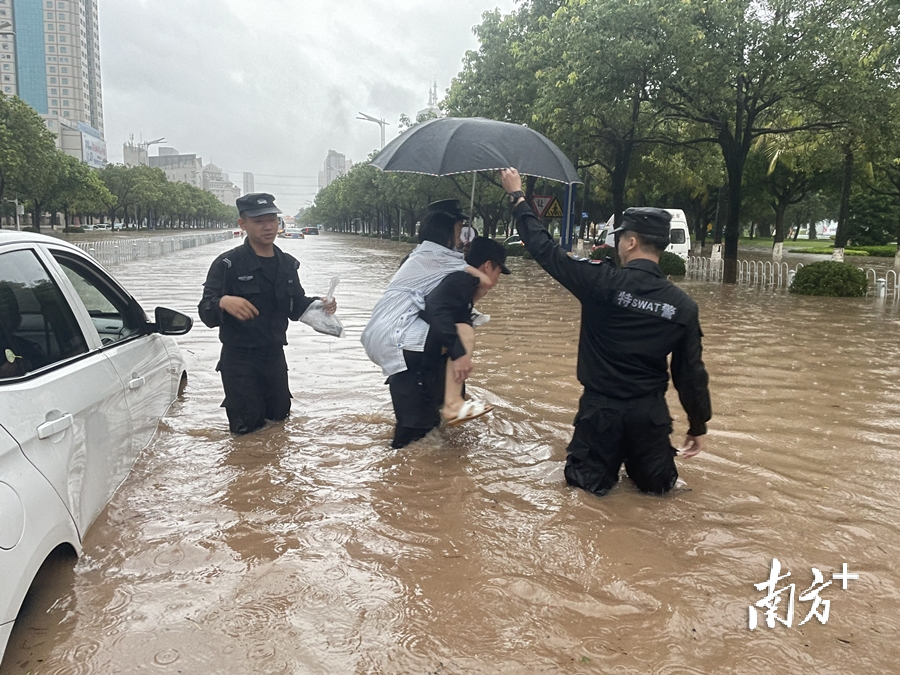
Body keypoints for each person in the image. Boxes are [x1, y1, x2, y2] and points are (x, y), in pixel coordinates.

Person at [500, 168, 711, 497]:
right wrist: (698, 425)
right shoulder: (682, 306)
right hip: (650, 418)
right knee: (659, 495)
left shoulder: (601, 282)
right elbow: (690, 373)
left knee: (585, 494)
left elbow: (545, 250)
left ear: (631, 241)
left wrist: (518, 198)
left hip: (600, 415)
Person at [198, 192, 337, 434]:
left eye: (272, 219)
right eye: (259, 221)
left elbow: (295, 307)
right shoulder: (227, 264)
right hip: (239, 361)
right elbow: (205, 311)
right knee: (246, 431)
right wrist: (223, 301)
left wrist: (321, 305)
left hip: (274, 358)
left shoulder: (287, 264)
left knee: (279, 425)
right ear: (243, 224)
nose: (268, 226)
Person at [361, 199, 495, 447]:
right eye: (458, 229)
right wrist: (460, 355)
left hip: (383, 333)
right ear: (447, 231)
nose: (460, 236)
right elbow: (483, 283)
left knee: (415, 435)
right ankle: (454, 404)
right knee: (462, 331)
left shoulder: (417, 255)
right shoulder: (442, 258)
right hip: (399, 336)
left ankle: (450, 406)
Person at [388, 236, 511, 449]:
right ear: (488, 265)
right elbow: (437, 310)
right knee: (410, 446)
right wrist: (460, 354)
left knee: (426, 442)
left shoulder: (452, 277)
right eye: (499, 272)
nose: (498, 279)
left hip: (420, 372)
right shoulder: (460, 278)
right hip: (417, 375)